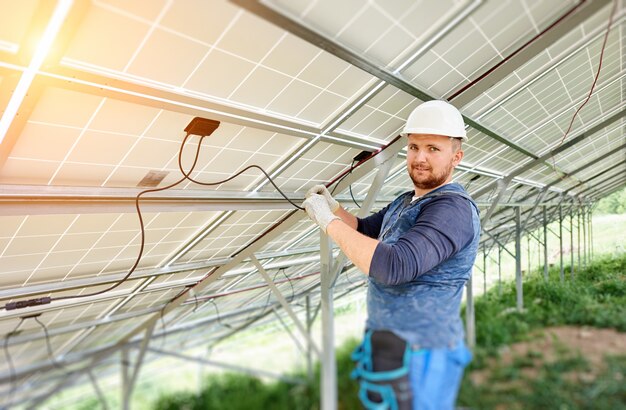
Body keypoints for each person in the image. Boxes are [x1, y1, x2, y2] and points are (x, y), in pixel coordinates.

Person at [303, 100, 481, 410]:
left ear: (457, 157)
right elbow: (366, 230)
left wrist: (327, 223)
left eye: (432, 148)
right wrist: (334, 209)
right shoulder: (406, 201)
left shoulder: (453, 209)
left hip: (424, 352)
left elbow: (394, 265)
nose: (419, 157)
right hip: (391, 344)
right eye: (413, 147)